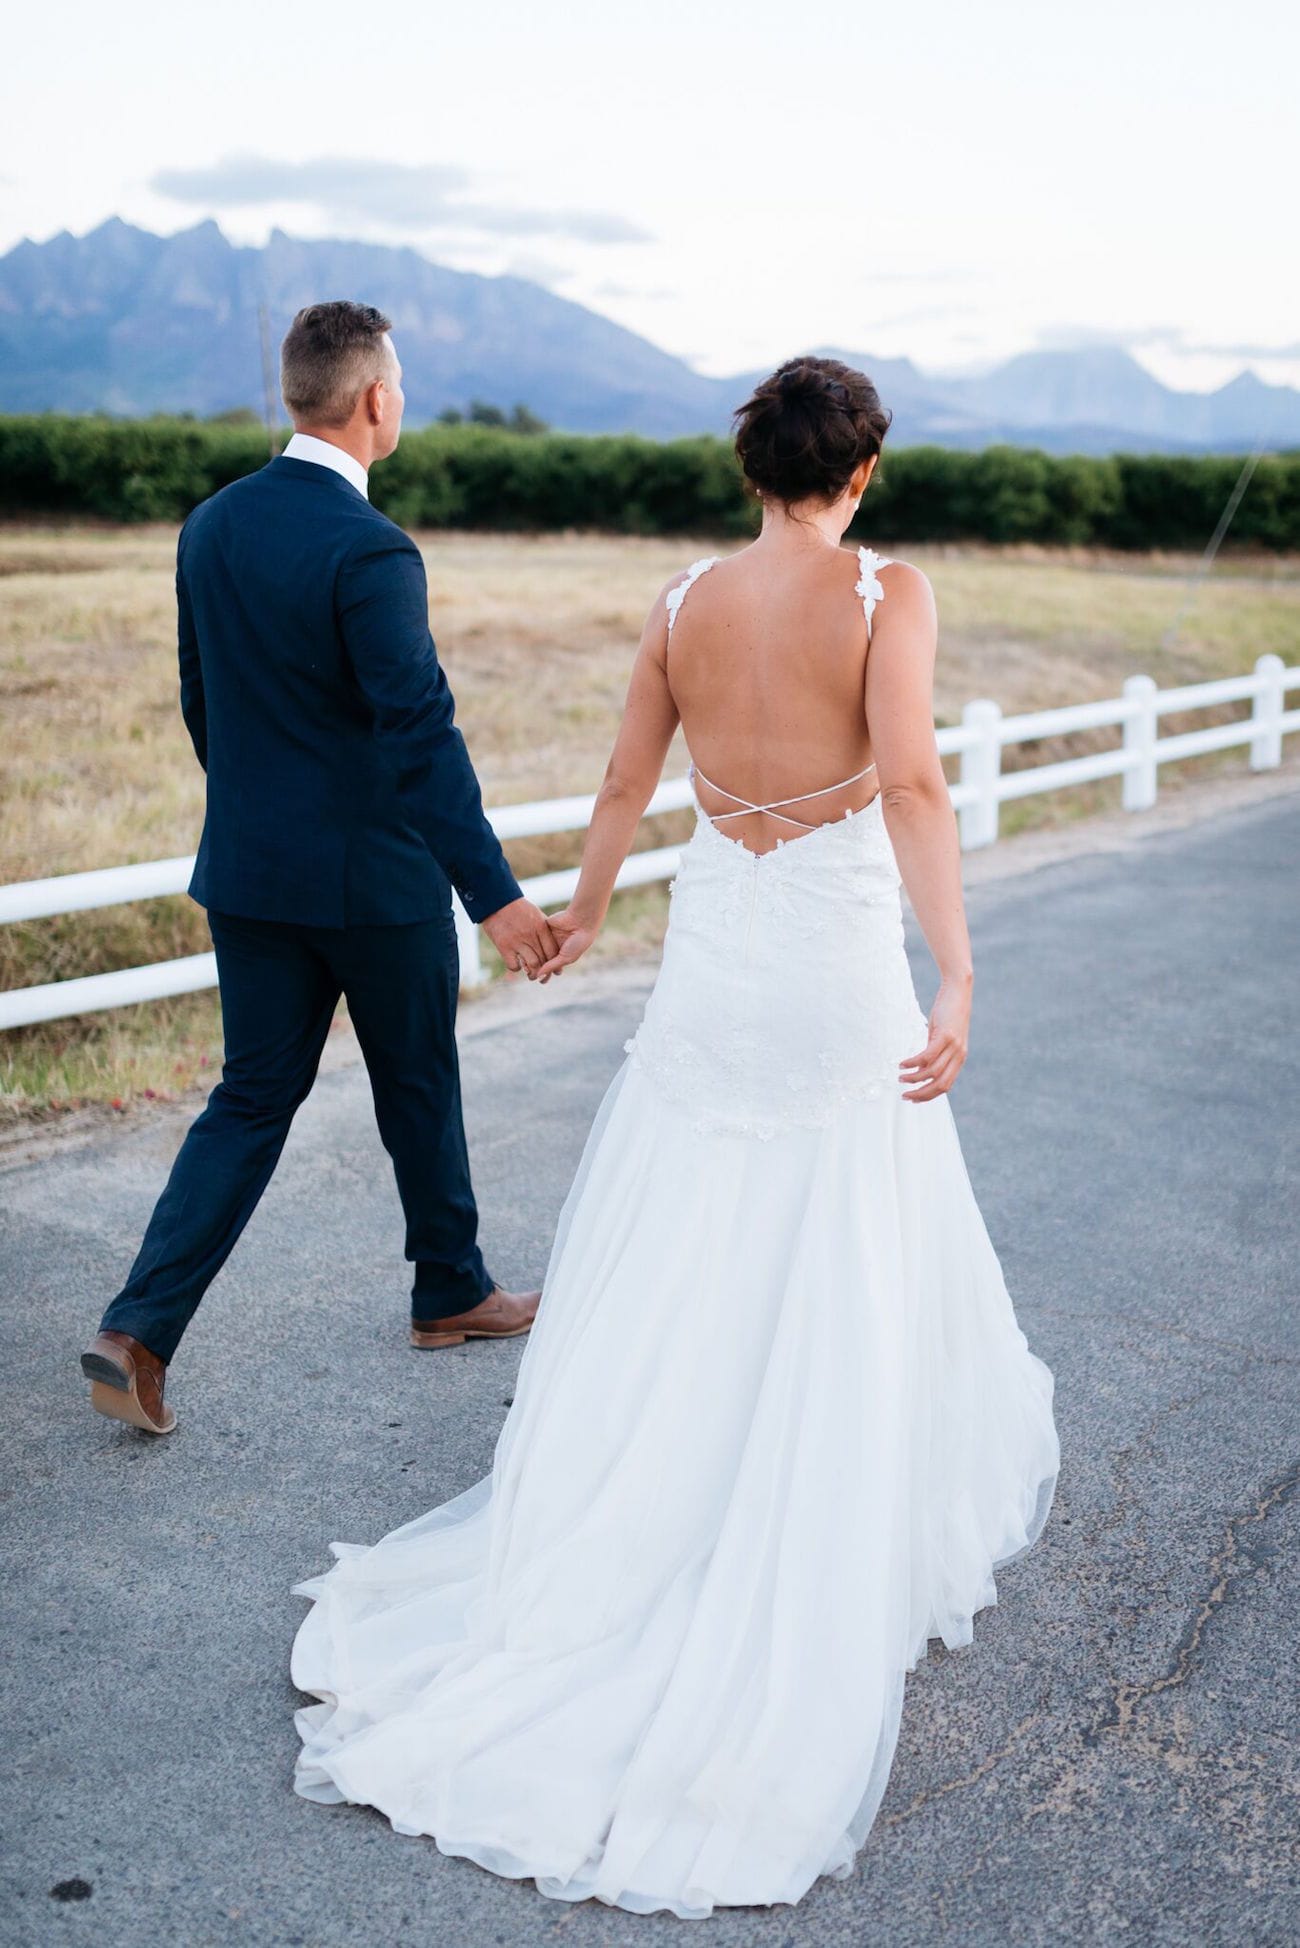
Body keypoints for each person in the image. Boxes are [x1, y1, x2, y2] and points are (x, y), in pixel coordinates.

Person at [289, 356, 1059, 1918]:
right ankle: (803, 1525)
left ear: (751, 468)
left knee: (693, 1218)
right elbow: (907, 775)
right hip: (833, 967)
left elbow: (633, 777)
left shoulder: (683, 597)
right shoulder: (885, 594)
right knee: (843, 1223)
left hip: (717, 959)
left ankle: (642, 1520)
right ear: (864, 470)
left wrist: (575, 909)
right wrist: (959, 970)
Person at [81, 302, 556, 1437]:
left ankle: (137, 1331)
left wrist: (262, 815)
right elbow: (420, 733)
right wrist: (494, 895)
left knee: (248, 1100)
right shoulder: (371, 548)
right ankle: (449, 1288)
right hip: (374, 884)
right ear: (374, 400)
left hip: (249, 875)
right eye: (400, 382)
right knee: (417, 1080)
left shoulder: (213, 524)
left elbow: (205, 702)